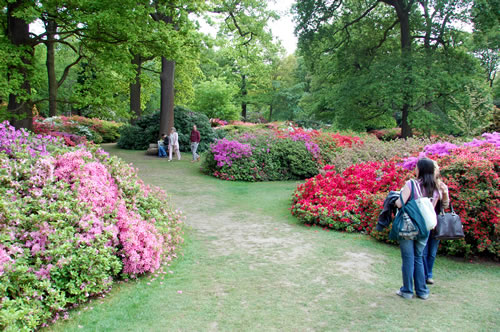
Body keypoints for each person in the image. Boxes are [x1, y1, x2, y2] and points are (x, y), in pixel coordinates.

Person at [395, 158, 441, 300]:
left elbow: (399, 203)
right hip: (425, 228)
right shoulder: (435, 189)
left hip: (409, 226)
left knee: (408, 258)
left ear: (420, 169)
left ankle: (407, 290)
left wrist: (396, 197)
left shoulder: (412, 184)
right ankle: (422, 291)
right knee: (419, 257)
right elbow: (429, 210)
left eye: (416, 167)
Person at [423, 162, 450, 285]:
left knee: (432, 251)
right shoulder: (422, 185)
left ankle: (429, 274)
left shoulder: (441, 186)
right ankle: (422, 274)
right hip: (424, 220)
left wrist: (444, 194)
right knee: (423, 250)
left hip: (436, 221)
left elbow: (445, 206)